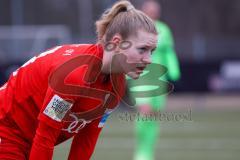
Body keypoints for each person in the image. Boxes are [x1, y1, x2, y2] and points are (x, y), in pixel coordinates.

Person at [0, 1, 158, 160]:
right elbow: (45, 137)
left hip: (26, 140)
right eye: (142, 49)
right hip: (6, 131)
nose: (149, 59)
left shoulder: (117, 85)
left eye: (152, 51)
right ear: (116, 43)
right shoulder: (73, 76)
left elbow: (86, 139)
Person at [130, 1, 181, 160]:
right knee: (144, 112)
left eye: (154, 10)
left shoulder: (164, 30)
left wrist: (173, 71)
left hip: (160, 78)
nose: (152, 13)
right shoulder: (135, 30)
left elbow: (168, 52)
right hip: (141, 77)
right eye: (149, 10)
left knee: (154, 115)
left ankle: (148, 152)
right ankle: (141, 152)